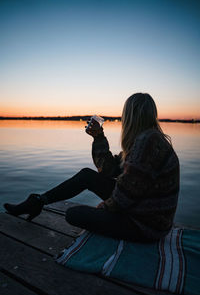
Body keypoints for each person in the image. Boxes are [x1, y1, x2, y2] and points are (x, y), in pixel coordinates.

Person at [3, 93, 180, 242]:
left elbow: (126, 195)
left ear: (130, 116)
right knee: (87, 175)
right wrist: (98, 137)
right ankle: (38, 201)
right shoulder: (145, 140)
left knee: (74, 214)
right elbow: (111, 171)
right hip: (141, 211)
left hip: (146, 225)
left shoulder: (148, 143)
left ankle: (37, 203)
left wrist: (103, 209)